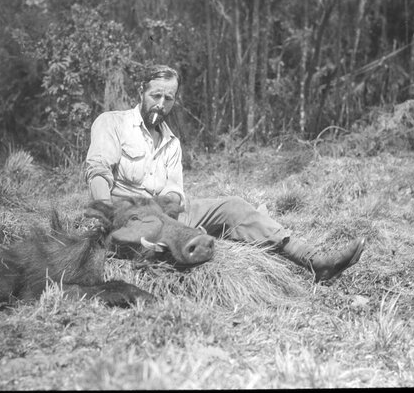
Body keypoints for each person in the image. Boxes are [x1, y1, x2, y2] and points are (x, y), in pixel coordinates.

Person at [85, 64, 365, 283]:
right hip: (127, 215)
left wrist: (170, 210)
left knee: (234, 206)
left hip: (166, 214)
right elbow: (98, 171)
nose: (161, 104)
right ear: (140, 91)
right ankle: (182, 244)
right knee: (161, 237)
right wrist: (108, 216)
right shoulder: (113, 123)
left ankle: (315, 262)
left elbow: (174, 192)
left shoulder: (172, 142)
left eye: (168, 98)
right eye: (155, 95)